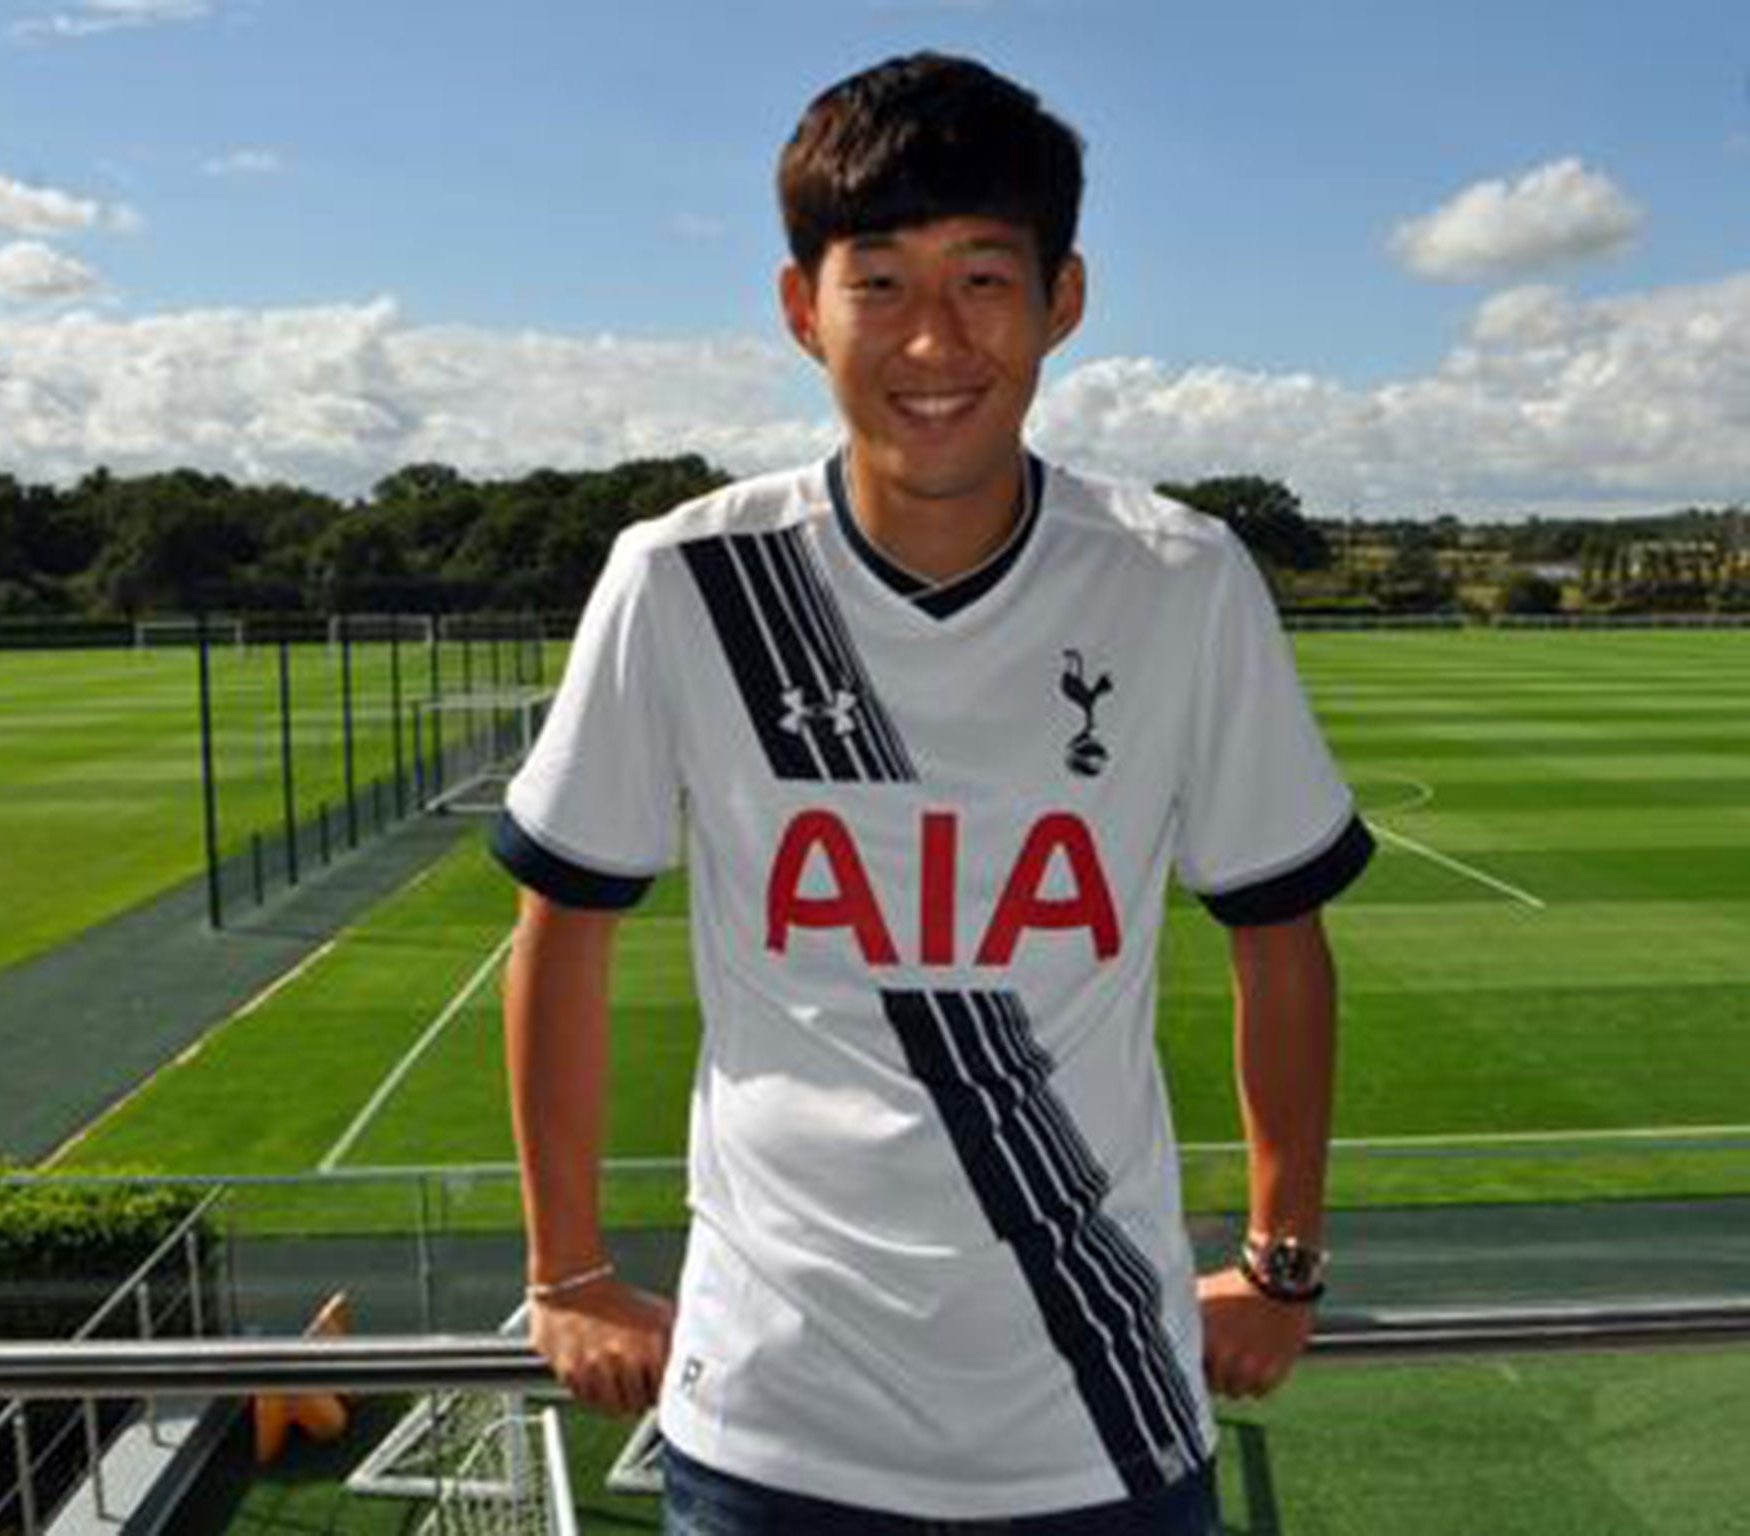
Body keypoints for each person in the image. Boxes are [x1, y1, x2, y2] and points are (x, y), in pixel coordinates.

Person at [492, 51, 1372, 1534]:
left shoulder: (1181, 579)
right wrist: (566, 1269)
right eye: (879, 282)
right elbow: (562, 926)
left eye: (982, 279)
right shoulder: (689, 577)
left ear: (1063, 301)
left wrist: (1282, 1258)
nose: (933, 339)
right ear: (799, 309)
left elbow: (1279, 933)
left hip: (1107, 1422)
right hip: (770, 1425)